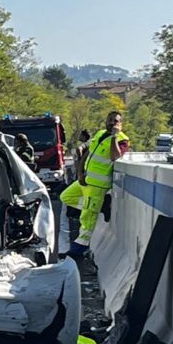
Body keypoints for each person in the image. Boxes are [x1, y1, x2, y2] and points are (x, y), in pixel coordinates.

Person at [66, 111, 130, 259]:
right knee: (66, 197)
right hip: (86, 180)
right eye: (110, 120)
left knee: (88, 218)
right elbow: (88, 154)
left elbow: (115, 156)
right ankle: (101, 206)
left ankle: (77, 251)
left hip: (99, 185)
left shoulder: (123, 139)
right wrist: (80, 173)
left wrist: (114, 136)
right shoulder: (100, 133)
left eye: (116, 121)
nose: (112, 123)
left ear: (121, 124)